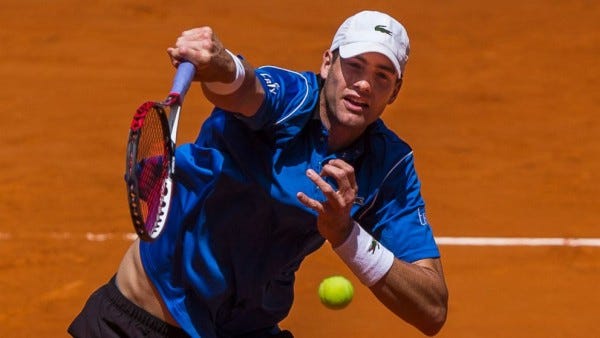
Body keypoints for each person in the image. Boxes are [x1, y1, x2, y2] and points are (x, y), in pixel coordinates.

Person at [69, 10, 448, 338]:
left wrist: (346, 236)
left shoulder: (388, 166)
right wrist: (218, 60)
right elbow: (241, 86)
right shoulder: (289, 98)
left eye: (382, 76)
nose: (365, 83)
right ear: (327, 63)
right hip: (142, 324)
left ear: (395, 92)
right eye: (354, 66)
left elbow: (431, 310)